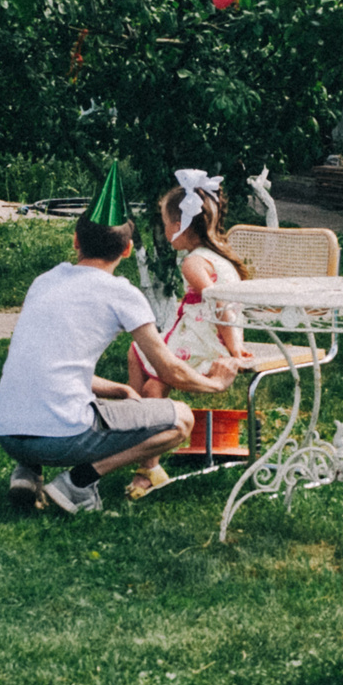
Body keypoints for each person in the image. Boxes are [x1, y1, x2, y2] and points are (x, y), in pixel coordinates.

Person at [0, 167, 238, 514]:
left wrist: (117, 389)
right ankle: (77, 482)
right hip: (63, 436)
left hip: (5, 429)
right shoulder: (122, 293)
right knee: (181, 419)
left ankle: (26, 470)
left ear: (76, 241)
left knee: (51, 400)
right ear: (127, 250)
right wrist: (214, 384)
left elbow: (48, 364)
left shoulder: (44, 281)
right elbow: (168, 369)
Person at [121, 171, 263, 496]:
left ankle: (136, 434)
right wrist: (235, 344)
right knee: (151, 378)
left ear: (182, 225)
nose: (166, 229)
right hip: (210, 338)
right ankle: (145, 455)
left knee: (143, 366)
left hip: (204, 344)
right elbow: (228, 310)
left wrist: (234, 350)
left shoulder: (193, 264)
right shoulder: (219, 258)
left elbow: (222, 308)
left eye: (167, 223)